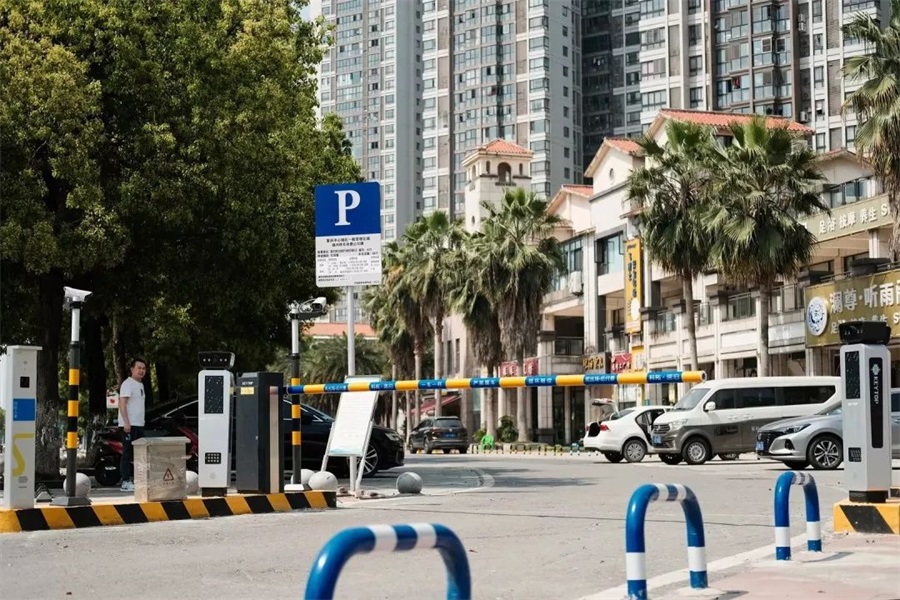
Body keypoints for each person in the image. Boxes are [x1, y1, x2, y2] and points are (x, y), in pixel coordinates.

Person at [118, 358, 147, 492]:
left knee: (140, 454)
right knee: (127, 453)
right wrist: (126, 423)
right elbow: (122, 403)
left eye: (143, 368)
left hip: (139, 424)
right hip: (129, 425)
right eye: (139, 368)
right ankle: (125, 481)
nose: (141, 371)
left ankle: (138, 480)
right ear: (132, 369)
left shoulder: (140, 385)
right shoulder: (128, 384)